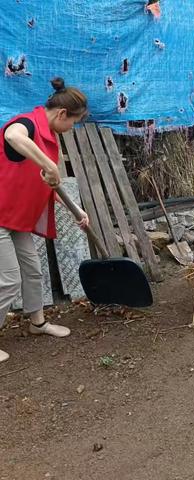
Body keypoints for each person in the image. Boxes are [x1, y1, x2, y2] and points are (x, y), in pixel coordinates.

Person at [0, 77, 89, 363]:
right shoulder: (27, 124)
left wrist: (77, 209)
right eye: (73, 122)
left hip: (14, 217)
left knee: (34, 270)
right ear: (62, 114)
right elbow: (12, 137)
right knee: (9, 281)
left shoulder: (50, 138)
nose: (71, 128)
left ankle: (37, 323)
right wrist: (49, 165)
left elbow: (50, 186)